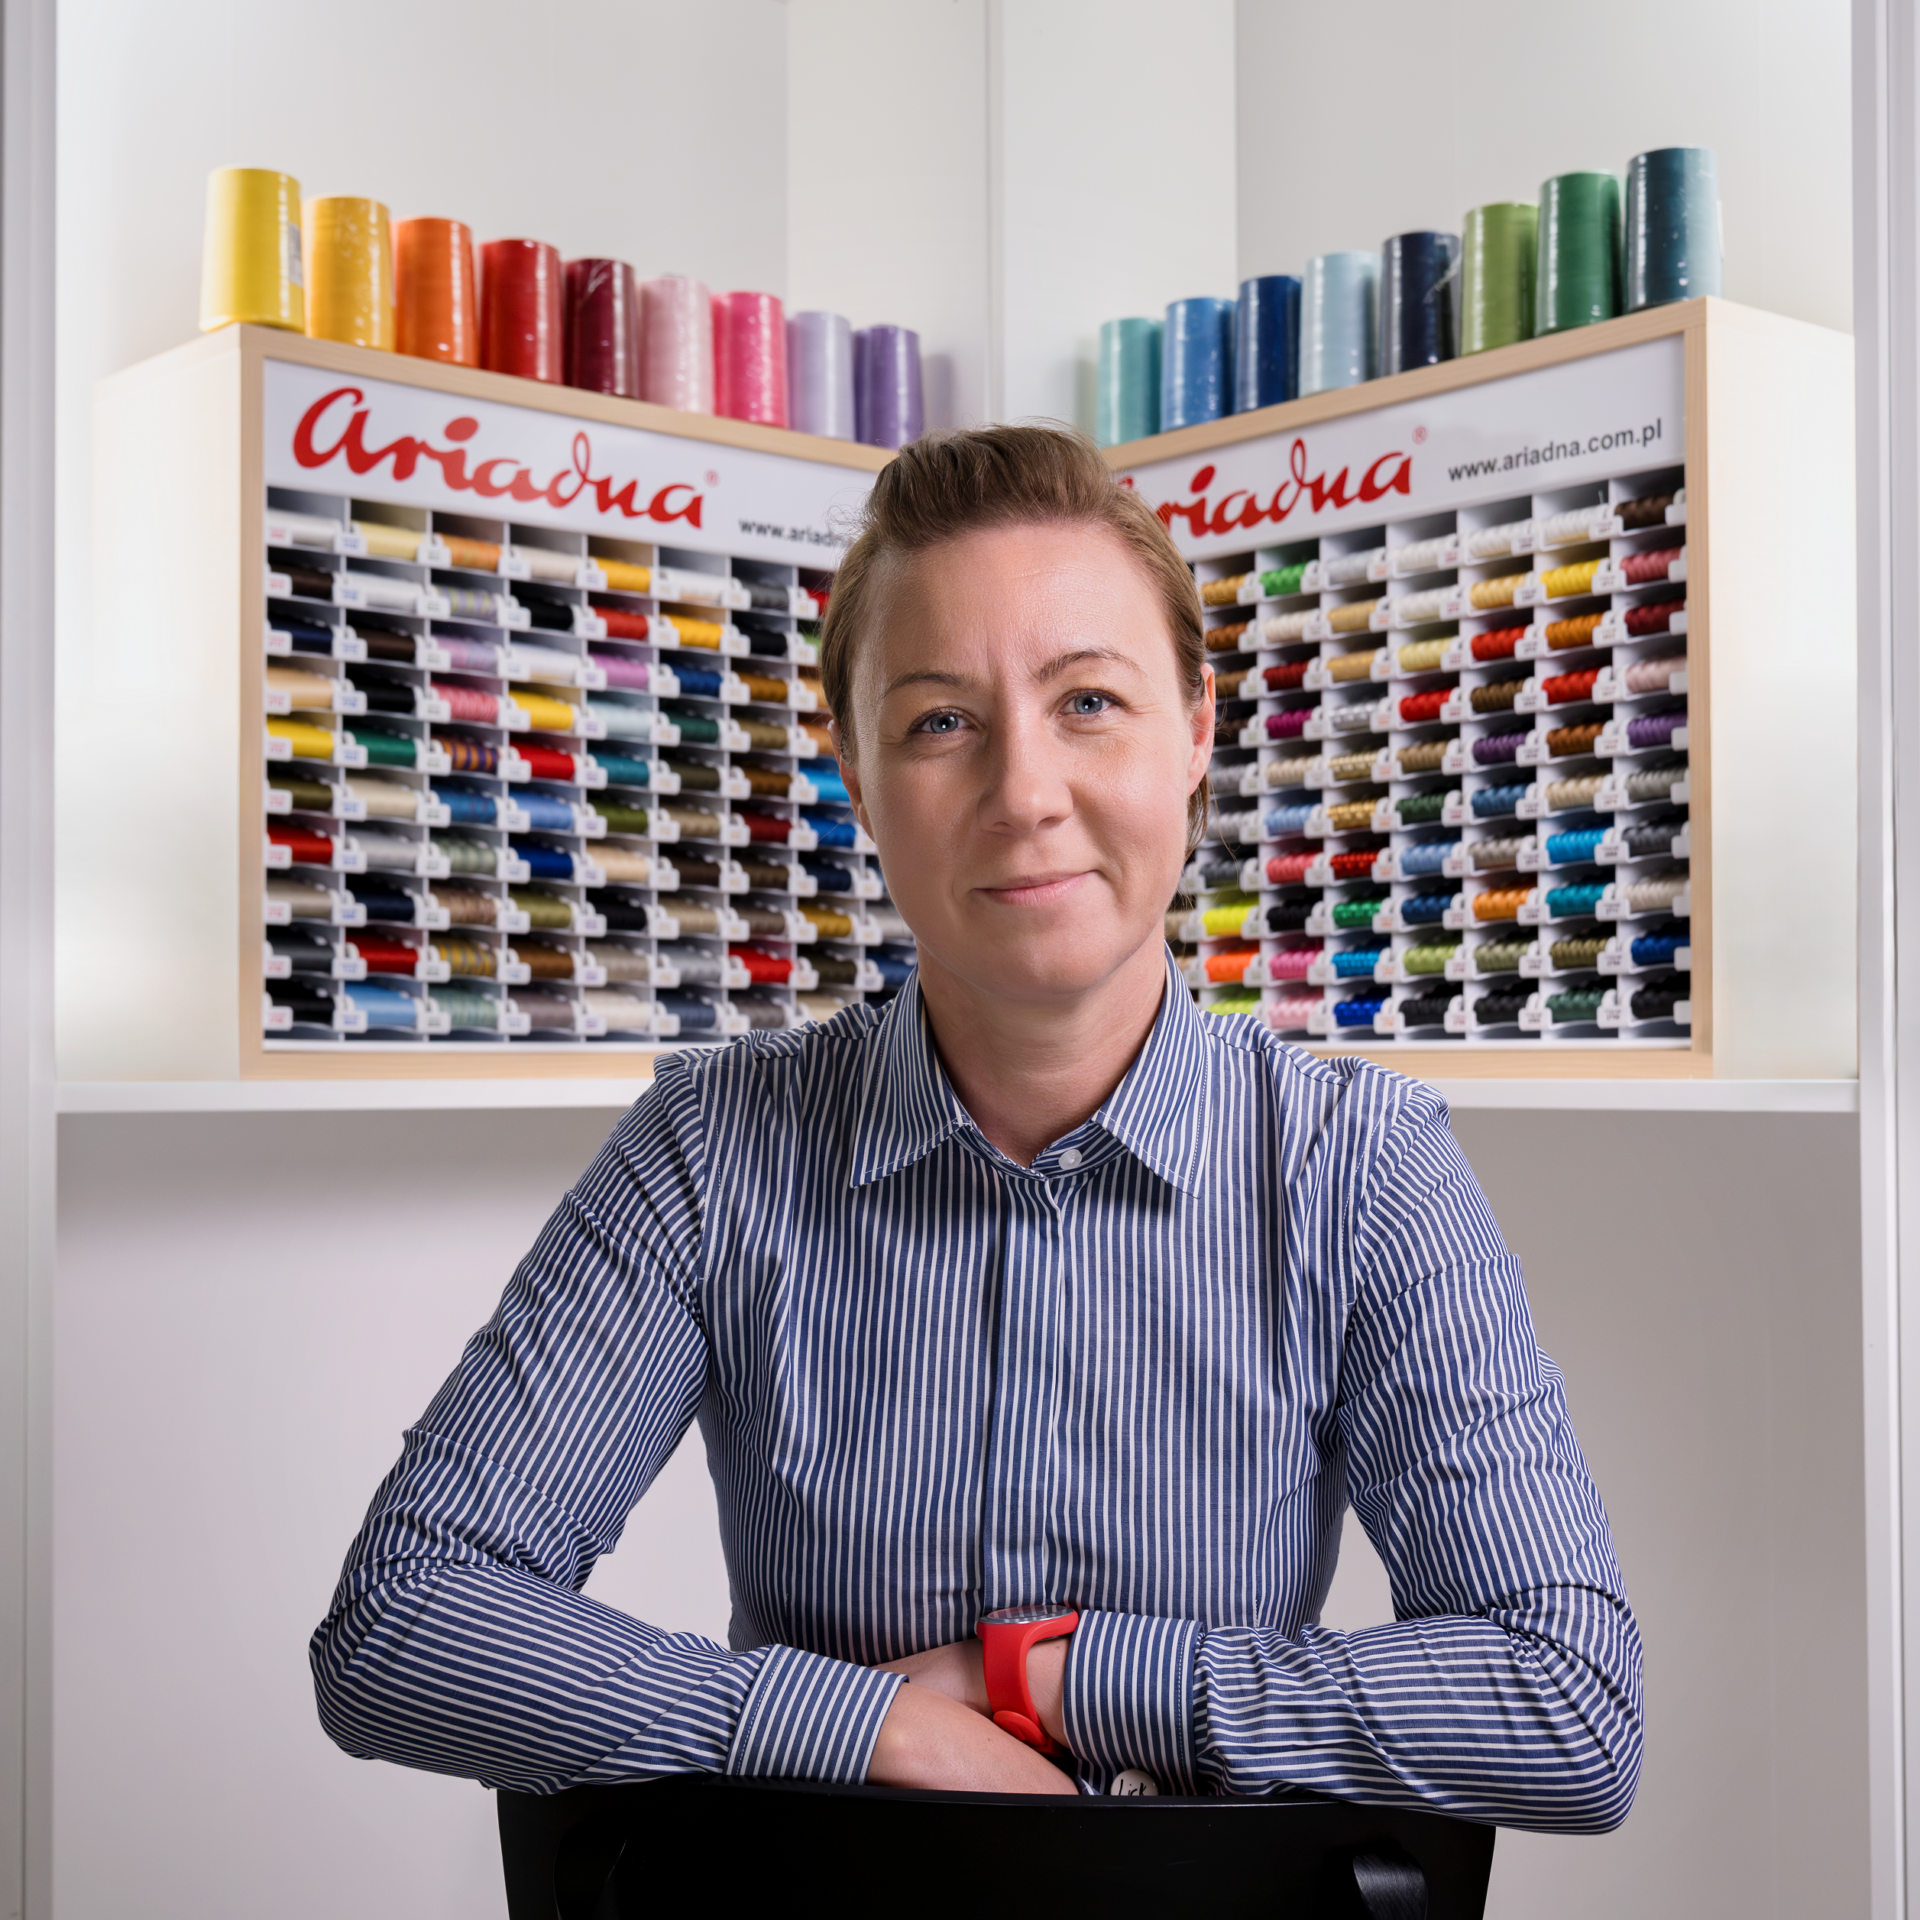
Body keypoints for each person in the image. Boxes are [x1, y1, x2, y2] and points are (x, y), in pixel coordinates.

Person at [311, 424, 1643, 1828]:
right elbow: (403, 1620)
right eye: (941, 722)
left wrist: (1050, 1681)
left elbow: (1567, 1705)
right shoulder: (714, 1150)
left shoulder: (1359, 1169)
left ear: (1196, 729)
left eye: (1090, 702)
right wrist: (867, 1725)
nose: (1025, 796)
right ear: (856, 773)